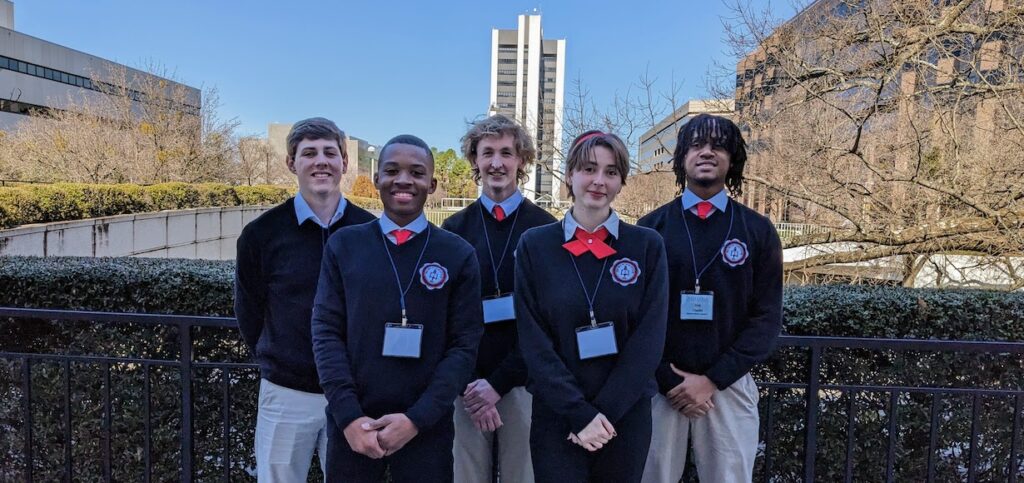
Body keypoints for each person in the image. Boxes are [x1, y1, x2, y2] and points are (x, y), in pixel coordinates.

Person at [311, 134, 483, 483]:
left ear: (432, 184)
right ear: (376, 179)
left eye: (416, 172)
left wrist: (417, 420)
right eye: (391, 170)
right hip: (354, 427)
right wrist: (348, 417)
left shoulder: (458, 253)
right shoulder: (344, 245)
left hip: (426, 429)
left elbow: (464, 346)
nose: (403, 180)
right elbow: (326, 331)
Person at [514, 130, 668, 483]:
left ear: (621, 181)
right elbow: (533, 341)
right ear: (569, 175)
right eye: (588, 169)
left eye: (611, 172)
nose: (599, 181)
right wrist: (578, 413)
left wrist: (605, 413)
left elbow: (649, 338)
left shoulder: (646, 246)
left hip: (625, 417)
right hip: (558, 415)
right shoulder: (535, 246)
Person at [638, 114, 782, 483]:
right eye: (697, 145)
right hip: (659, 388)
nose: (707, 152)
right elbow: (634, 318)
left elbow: (765, 319)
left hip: (728, 388)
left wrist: (712, 380)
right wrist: (667, 380)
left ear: (732, 159)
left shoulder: (758, 230)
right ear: (682, 157)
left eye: (718, 145)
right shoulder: (649, 229)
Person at [234, 117, 375, 482]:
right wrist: (280, 359)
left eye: (330, 152)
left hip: (353, 394)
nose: (321, 161)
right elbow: (249, 312)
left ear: (345, 162)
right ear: (291, 163)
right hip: (286, 393)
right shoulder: (261, 234)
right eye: (309, 153)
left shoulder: (370, 232)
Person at [441, 114, 556, 483]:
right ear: (474, 159)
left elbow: (549, 319)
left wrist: (499, 384)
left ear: (521, 160)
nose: (496, 163)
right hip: (467, 387)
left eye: (506, 152)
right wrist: (473, 385)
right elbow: (445, 317)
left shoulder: (546, 228)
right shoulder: (454, 229)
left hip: (524, 383)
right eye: (486, 152)